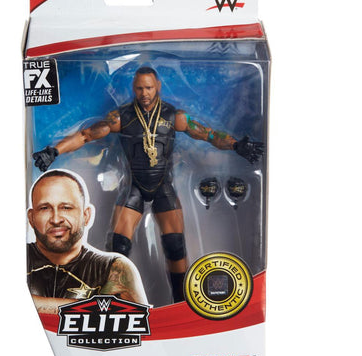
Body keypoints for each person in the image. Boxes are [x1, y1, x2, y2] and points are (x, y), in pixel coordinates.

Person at [33, 67, 264, 303]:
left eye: (149, 88)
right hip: (134, 187)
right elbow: (86, 135)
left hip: (163, 187)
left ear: (158, 87)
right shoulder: (121, 117)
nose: (145, 93)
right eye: (140, 88)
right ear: (134, 89)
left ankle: (181, 302)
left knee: (175, 246)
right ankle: (111, 302)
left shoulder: (175, 117)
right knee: (118, 248)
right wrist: (54, 151)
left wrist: (237, 145)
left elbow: (209, 134)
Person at [27, 169, 148, 314]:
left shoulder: (113, 268)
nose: (56, 219)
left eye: (66, 208)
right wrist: (97, 307)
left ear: (86, 215)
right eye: (45, 208)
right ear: (31, 218)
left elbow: (146, 323)